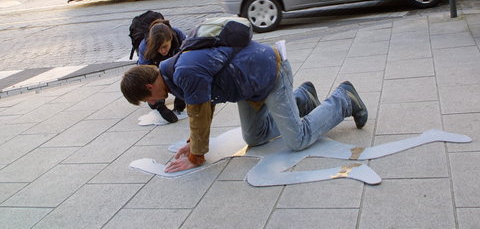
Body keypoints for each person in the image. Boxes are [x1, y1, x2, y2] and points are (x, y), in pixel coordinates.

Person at [121, 41, 368, 173]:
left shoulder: (183, 72)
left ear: (148, 87)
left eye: (148, 100)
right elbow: (204, 107)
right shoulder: (173, 74)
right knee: (254, 136)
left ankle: (344, 99)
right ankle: (302, 99)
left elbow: (198, 113)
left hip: (270, 72)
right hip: (248, 85)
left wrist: (196, 157)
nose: (153, 104)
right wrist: (191, 143)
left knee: (298, 140)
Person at [137, 19, 187, 123]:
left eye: (165, 46)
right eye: (158, 48)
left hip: (175, 69)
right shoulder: (144, 46)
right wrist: (160, 107)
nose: (162, 51)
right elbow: (144, 79)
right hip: (155, 73)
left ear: (171, 38)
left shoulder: (179, 36)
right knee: (153, 95)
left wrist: (182, 96)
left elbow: (188, 63)